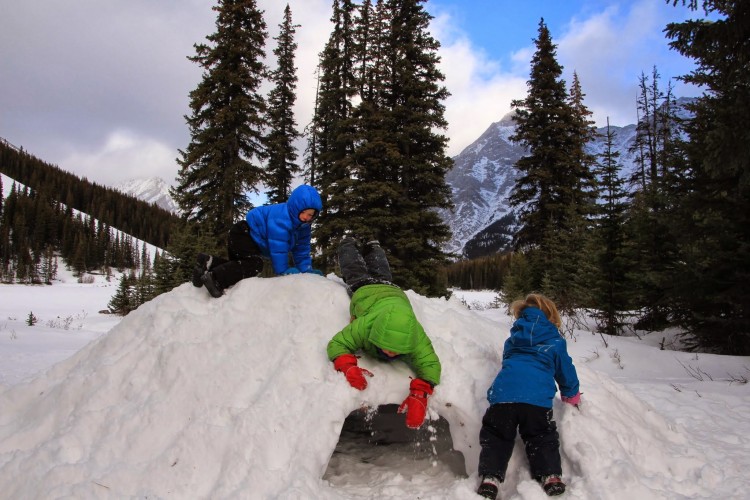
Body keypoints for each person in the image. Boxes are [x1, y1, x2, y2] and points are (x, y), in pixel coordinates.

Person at [326, 237, 441, 429]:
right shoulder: (368, 324)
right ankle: (351, 244)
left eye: (396, 351)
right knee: (360, 270)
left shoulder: (415, 336)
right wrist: (347, 366)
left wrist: (420, 392)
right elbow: (338, 343)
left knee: (372, 273)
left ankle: (372, 246)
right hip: (366, 291)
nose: (390, 354)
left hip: (389, 291)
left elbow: (430, 364)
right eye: (386, 348)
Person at [476, 294, 581, 499]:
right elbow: (565, 372)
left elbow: (509, 362)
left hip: (503, 395)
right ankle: (550, 476)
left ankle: (490, 478)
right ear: (551, 315)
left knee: (496, 435)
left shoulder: (513, 339)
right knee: (541, 436)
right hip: (535, 398)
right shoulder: (555, 341)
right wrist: (571, 396)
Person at [193, 184, 324, 298]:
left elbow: (302, 250)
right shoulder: (282, 217)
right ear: (296, 207)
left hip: (247, 237)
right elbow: (278, 246)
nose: (307, 217)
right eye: (305, 212)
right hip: (244, 234)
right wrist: (283, 271)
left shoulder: (304, 227)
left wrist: (306, 270)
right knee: (254, 265)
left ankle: (208, 263)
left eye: (311, 215)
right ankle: (215, 279)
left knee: (239, 267)